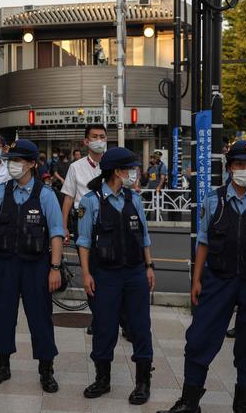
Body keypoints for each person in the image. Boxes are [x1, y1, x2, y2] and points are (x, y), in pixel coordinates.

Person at [157, 140, 246, 413]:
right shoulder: (213, 199)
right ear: (229, 168)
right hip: (218, 279)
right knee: (199, 338)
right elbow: (202, 240)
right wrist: (196, 279)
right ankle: (189, 402)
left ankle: (243, 404)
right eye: (240, 164)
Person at [0, 139, 64, 393]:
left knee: (40, 318)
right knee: (3, 316)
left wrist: (55, 268)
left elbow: (56, 233)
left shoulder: (46, 195)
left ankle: (46, 370)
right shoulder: (0, 192)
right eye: (11, 160)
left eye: (18, 161)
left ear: (31, 164)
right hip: (5, 264)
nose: (13, 165)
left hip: (36, 266)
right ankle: (2, 365)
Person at [77, 147, 156, 405]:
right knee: (104, 327)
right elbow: (84, 241)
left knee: (141, 327)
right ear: (116, 171)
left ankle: (143, 381)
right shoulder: (91, 201)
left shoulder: (134, 199)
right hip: (105, 275)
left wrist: (149, 266)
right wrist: (86, 273)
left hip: (134, 273)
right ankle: (103, 379)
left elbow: (144, 236)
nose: (134, 173)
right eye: (130, 168)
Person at [61, 125, 107, 243]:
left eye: (102, 137)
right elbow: (68, 197)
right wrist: (64, 226)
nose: (99, 140)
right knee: (85, 258)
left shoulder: (112, 165)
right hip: (82, 218)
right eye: (94, 137)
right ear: (86, 141)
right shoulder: (75, 167)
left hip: (107, 218)